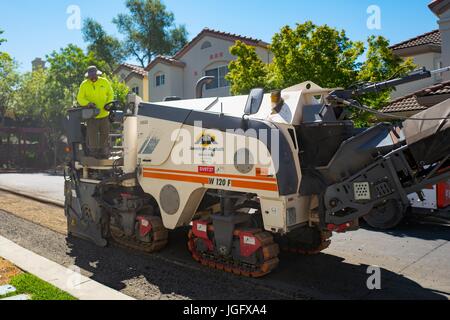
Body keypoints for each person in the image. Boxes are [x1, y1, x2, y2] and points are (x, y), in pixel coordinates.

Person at [77, 66, 114, 159]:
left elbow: (111, 93)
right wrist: (88, 103)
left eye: (94, 75)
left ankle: (104, 152)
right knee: (92, 134)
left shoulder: (104, 81)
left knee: (104, 133)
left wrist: (109, 104)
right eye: (91, 76)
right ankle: (94, 153)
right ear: (88, 76)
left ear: (97, 74)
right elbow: (80, 98)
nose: (93, 77)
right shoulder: (84, 84)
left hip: (104, 113)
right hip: (91, 115)